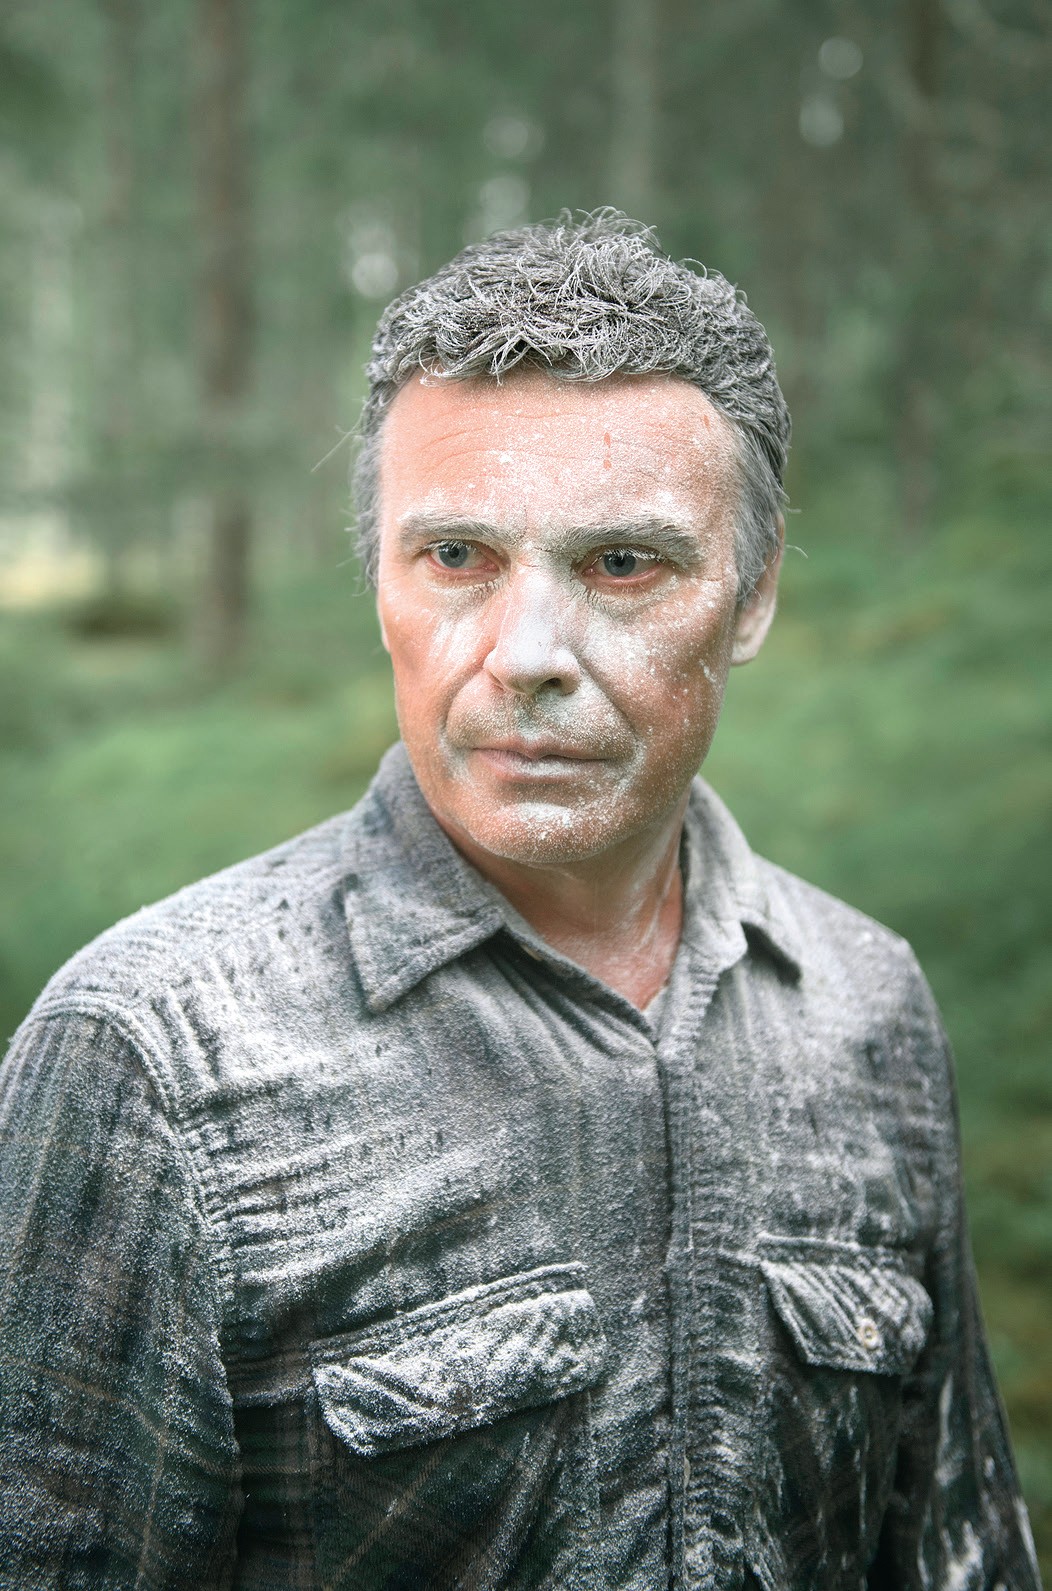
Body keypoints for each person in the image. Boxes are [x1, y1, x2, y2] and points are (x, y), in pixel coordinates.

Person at [0, 211, 1039, 1591]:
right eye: (457, 559)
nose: (529, 653)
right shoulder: (152, 1057)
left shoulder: (868, 1005)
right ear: (380, 582)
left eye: (624, 564)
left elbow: (958, 1551)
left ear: (752, 597)